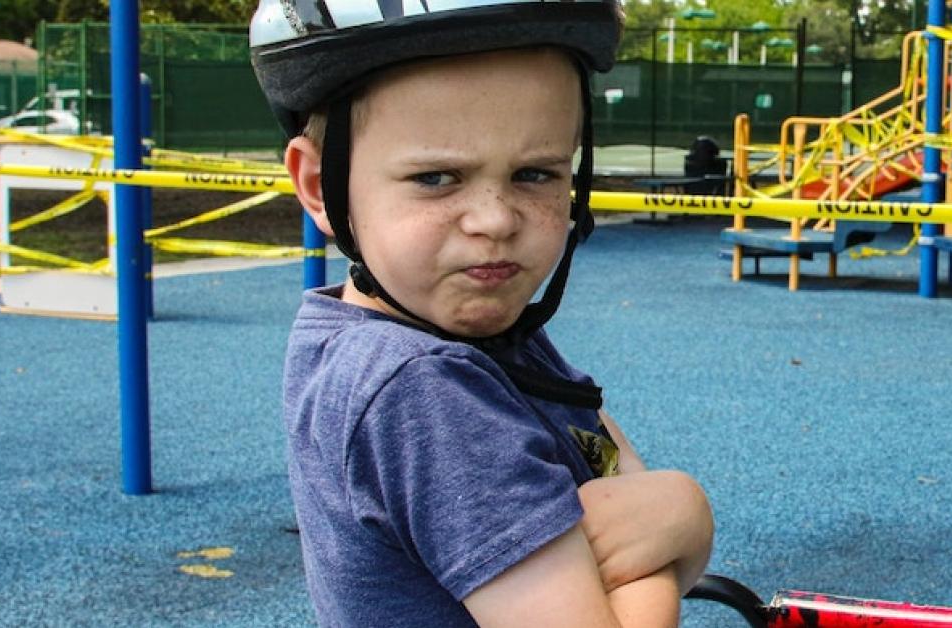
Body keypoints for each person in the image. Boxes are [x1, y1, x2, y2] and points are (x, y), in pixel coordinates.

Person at [251, 1, 714, 626]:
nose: (495, 220)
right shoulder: (421, 388)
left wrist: (660, 524)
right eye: (437, 177)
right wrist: (683, 518)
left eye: (535, 173)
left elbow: (614, 472)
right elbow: (634, 499)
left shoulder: (498, 337)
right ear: (318, 186)